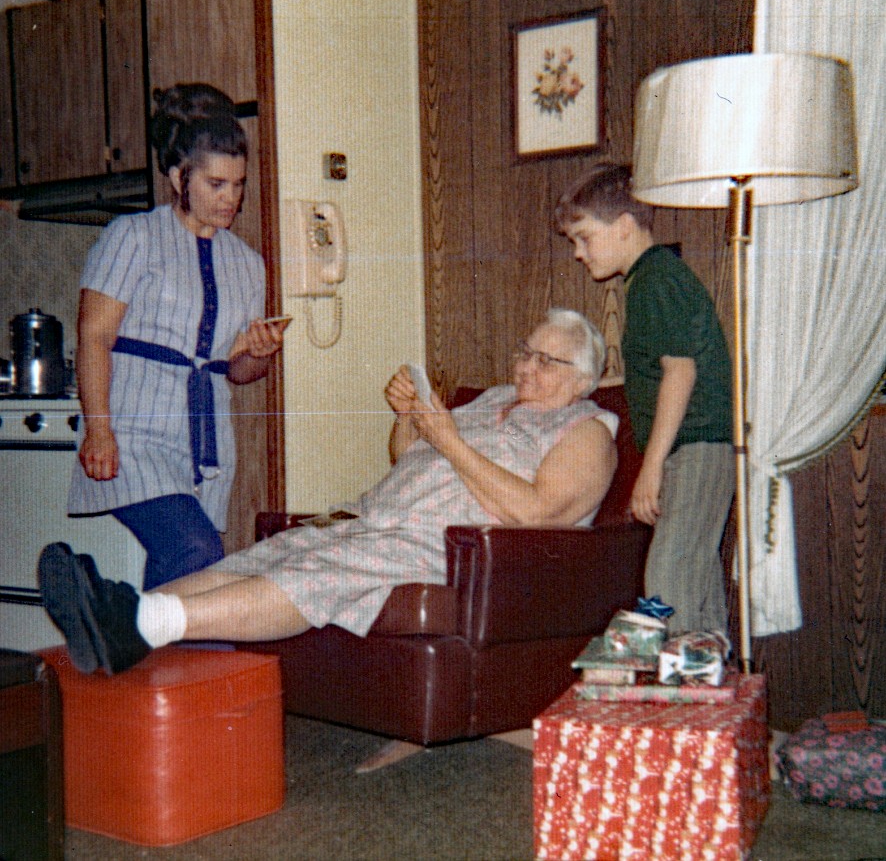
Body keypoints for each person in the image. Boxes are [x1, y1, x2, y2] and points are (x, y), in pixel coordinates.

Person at [41, 309, 618, 675]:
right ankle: (124, 619)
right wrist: (410, 420)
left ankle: (139, 620)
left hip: (444, 545)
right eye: (524, 351)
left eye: (546, 360)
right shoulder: (492, 400)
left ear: (582, 378)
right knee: (259, 558)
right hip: (372, 517)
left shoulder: (586, 431)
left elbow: (539, 513)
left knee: (313, 577)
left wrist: (447, 437)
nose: (526, 366)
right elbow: (409, 462)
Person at [67, 83, 287, 590]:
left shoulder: (248, 264)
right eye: (216, 184)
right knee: (193, 546)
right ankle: (122, 624)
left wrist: (260, 353)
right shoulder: (133, 237)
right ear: (177, 177)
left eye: (238, 184)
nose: (230, 198)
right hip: (133, 431)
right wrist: (99, 430)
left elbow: (240, 372)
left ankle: (124, 629)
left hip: (204, 442)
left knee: (193, 574)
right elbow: (94, 336)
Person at [555, 162, 733, 634]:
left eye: (584, 238)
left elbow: (680, 373)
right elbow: (660, 367)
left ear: (624, 226)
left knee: (668, 578)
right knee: (694, 578)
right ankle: (707, 668)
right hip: (699, 446)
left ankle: (680, 673)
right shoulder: (654, 277)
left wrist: (650, 468)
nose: (578, 253)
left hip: (695, 447)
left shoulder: (654, 281)